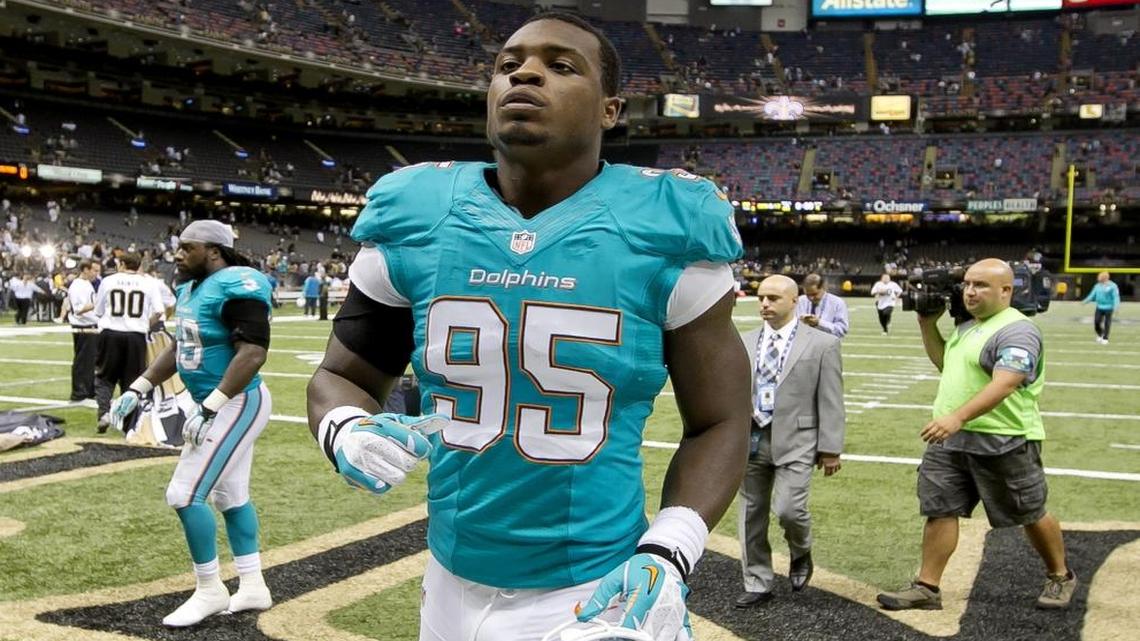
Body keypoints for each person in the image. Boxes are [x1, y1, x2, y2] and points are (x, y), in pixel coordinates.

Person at [305, 12, 751, 641]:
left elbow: (721, 419)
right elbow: (341, 375)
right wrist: (346, 428)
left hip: (596, 590)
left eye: (560, 65)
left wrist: (671, 547)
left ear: (610, 110)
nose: (525, 75)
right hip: (447, 579)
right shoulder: (417, 214)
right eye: (508, 65)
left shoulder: (664, 225)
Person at [877, 259, 1076, 612]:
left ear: (1006, 291)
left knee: (1029, 511)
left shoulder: (1018, 329)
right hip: (950, 439)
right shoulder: (968, 327)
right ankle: (927, 586)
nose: (969, 291)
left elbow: (1006, 382)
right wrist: (927, 326)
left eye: (981, 285)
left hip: (1004, 438)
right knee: (940, 509)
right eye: (968, 284)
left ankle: (1060, 575)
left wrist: (958, 416)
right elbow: (946, 364)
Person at [109, 220, 275, 627]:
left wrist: (212, 406)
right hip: (216, 402)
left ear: (214, 251)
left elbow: (253, 353)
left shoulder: (239, 284)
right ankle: (253, 585)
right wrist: (140, 385)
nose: (178, 254)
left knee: (184, 494)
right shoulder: (190, 288)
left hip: (236, 401)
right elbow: (181, 346)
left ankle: (210, 589)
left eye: (188, 248)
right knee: (230, 496)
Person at [736, 275, 844, 608]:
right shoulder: (743, 340)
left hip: (799, 439)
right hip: (751, 438)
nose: (765, 304)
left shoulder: (822, 343)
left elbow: (831, 398)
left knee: (789, 510)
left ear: (795, 301)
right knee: (750, 513)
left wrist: (830, 448)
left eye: (773, 298)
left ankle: (800, 551)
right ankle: (757, 581)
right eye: (761, 298)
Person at [93, 253, 165, 432]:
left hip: (111, 333)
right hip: (136, 336)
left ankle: (104, 413)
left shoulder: (108, 281)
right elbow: (159, 311)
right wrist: (144, 324)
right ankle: (128, 424)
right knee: (132, 381)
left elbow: (99, 311)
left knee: (105, 377)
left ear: (122, 264)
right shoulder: (149, 283)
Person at [66, 260, 100, 401]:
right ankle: (79, 392)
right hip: (83, 327)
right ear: (85, 269)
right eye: (94, 270)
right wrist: (98, 303)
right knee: (82, 361)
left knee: (91, 361)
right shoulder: (77, 286)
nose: (96, 274)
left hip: (92, 325)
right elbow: (78, 309)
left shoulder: (87, 284)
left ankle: (90, 389)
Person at [796, 273, 848, 339]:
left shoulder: (837, 303)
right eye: (807, 295)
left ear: (823, 288)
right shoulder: (800, 300)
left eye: (814, 294)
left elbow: (841, 331)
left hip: (826, 343)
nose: (811, 298)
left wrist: (819, 323)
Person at [1082, 271, 1120, 345]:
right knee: (1097, 322)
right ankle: (1100, 334)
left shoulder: (1113, 286)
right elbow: (1092, 295)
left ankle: (1105, 338)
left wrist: (1116, 307)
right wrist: (1085, 301)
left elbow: (1116, 297)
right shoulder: (1097, 286)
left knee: (1107, 323)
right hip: (1099, 307)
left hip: (1109, 307)